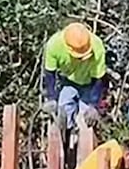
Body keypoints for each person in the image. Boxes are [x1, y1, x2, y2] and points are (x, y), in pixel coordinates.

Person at [42, 22, 108, 160]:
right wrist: (51, 98)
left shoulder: (97, 46)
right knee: (62, 114)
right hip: (68, 82)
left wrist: (93, 106)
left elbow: (99, 79)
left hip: (90, 85)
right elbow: (49, 74)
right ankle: (64, 155)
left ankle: (84, 161)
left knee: (87, 123)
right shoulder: (54, 45)